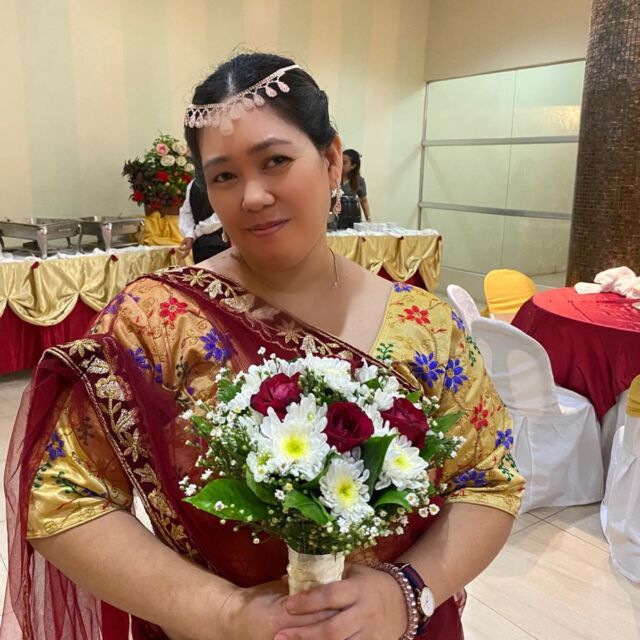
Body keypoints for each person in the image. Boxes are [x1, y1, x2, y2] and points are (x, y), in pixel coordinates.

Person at [3, 53, 523, 640]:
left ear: (331, 160)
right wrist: (223, 613)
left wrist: (406, 593)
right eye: (224, 176)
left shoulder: (424, 325)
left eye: (275, 161)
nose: (252, 196)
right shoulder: (157, 321)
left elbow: (489, 480)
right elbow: (64, 497)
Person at [177, 179, 229, 262]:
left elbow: (186, 212)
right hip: (217, 243)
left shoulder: (193, 183)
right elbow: (223, 213)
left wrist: (191, 234)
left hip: (201, 243)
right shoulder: (222, 179)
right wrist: (191, 234)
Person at [338, 149, 370, 229]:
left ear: (353, 166)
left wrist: (368, 219)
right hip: (335, 219)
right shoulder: (333, 178)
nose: (341, 165)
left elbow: (364, 201)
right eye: (340, 161)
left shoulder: (359, 181)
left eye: (344, 163)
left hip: (352, 219)